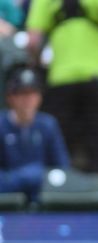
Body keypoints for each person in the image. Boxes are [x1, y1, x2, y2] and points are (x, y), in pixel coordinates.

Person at [26, 0, 98, 177]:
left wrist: (37, 63)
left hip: (61, 78)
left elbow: (33, 41)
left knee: (61, 144)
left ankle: (61, 191)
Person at [0, 65, 70, 202]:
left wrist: (39, 177)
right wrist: (26, 177)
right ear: (10, 98)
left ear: (39, 97)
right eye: (22, 94)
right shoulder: (1, 125)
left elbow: (63, 170)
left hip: (43, 200)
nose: (27, 100)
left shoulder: (48, 125)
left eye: (32, 94)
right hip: (6, 203)